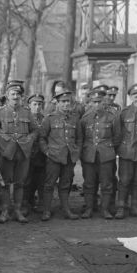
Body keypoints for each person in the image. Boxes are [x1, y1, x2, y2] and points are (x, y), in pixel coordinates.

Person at [0, 81, 38, 224]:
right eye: (12, 94)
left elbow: (35, 130)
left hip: (23, 153)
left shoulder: (27, 112)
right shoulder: (0, 112)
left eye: (18, 94)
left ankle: (18, 210)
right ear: (7, 96)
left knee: (20, 183)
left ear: (21, 96)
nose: (15, 96)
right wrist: (1, 142)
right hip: (6, 153)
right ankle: (5, 211)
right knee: (5, 183)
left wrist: (28, 141)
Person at [39, 88, 82, 221]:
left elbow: (79, 138)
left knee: (65, 184)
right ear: (57, 103)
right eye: (62, 101)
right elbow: (42, 137)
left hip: (69, 157)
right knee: (49, 184)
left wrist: (76, 151)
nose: (65, 104)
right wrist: (46, 151)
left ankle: (66, 209)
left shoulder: (75, 119)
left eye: (67, 101)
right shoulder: (49, 119)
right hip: (54, 156)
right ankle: (46, 210)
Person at [80, 88, 121, 219]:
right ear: (90, 102)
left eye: (99, 101)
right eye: (94, 102)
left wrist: (107, 148)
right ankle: (89, 208)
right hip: (89, 154)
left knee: (107, 183)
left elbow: (117, 137)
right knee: (89, 183)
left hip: (106, 154)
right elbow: (81, 137)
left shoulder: (112, 117)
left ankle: (105, 209)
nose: (97, 104)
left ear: (104, 101)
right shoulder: (85, 117)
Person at [114, 83, 137, 219]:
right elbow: (118, 133)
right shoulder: (123, 113)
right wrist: (117, 150)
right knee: (124, 180)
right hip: (126, 152)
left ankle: (135, 207)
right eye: (136, 96)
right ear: (130, 97)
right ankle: (121, 207)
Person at [22, 93, 47, 216]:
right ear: (29, 105)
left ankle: (42, 203)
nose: (37, 107)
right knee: (27, 180)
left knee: (41, 180)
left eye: (39, 104)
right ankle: (25, 203)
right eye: (34, 104)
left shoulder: (45, 119)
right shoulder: (25, 118)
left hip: (42, 156)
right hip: (28, 154)